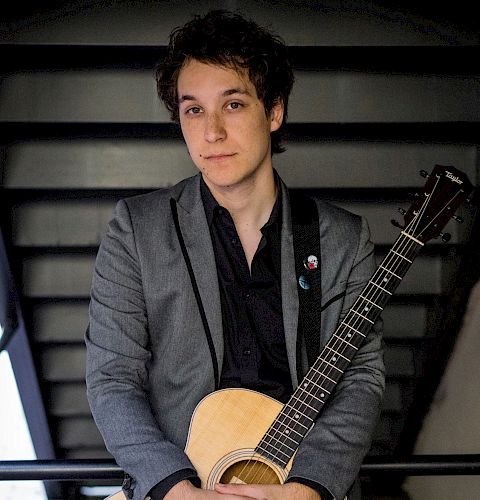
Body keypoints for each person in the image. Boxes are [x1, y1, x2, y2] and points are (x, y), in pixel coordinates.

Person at [86, 10, 385, 500]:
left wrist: (307, 489)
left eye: (233, 104)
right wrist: (176, 489)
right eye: (194, 110)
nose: (212, 133)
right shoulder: (137, 230)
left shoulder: (340, 238)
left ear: (274, 111)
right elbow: (112, 378)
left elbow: (360, 381)